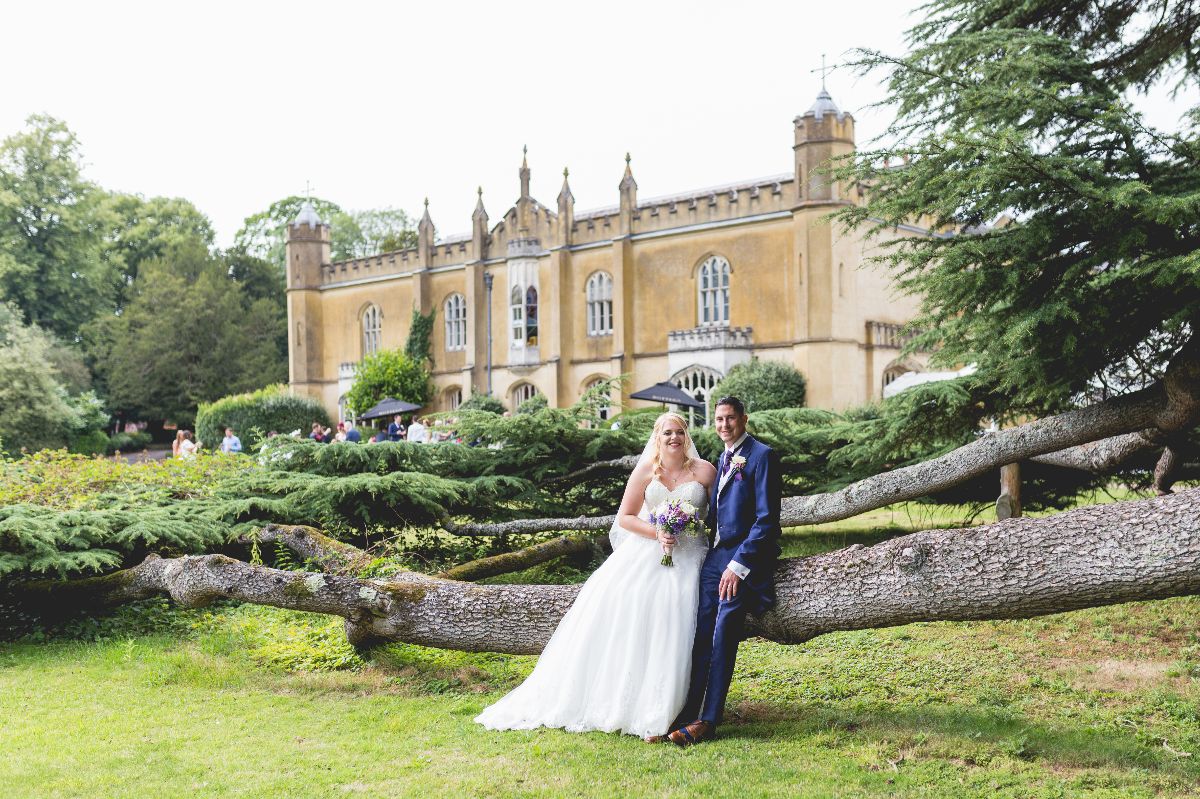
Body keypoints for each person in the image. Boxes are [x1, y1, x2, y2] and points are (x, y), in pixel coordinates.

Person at [476, 412, 717, 739]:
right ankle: (630, 695)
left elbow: (717, 516)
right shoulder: (646, 471)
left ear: (687, 436)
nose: (674, 438)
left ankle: (675, 705)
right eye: (667, 433)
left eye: (679, 432)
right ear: (657, 438)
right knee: (624, 600)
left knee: (674, 609)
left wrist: (694, 531)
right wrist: (657, 532)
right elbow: (626, 518)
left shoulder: (705, 471)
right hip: (650, 549)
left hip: (690, 555)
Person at [666, 396, 782, 747]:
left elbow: (766, 521)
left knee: (723, 633)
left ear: (744, 419)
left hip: (744, 558)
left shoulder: (762, 456)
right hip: (715, 557)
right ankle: (685, 714)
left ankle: (708, 720)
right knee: (700, 632)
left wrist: (739, 565)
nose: (724, 425)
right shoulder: (724, 457)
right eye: (719, 419)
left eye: (730, 418)